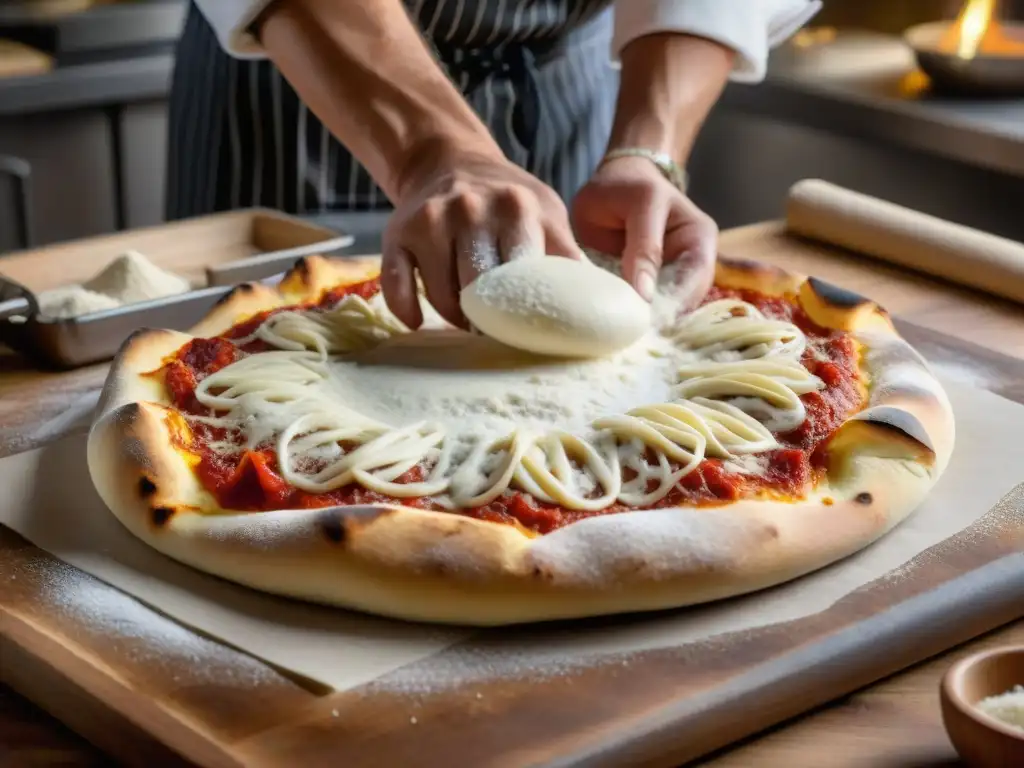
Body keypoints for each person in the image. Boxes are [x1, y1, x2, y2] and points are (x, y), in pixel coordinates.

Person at [171, 1, 820, 329]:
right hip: (300, 67)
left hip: (566, 76)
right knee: (260, 339)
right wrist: (430, 150)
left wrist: (646, 150)